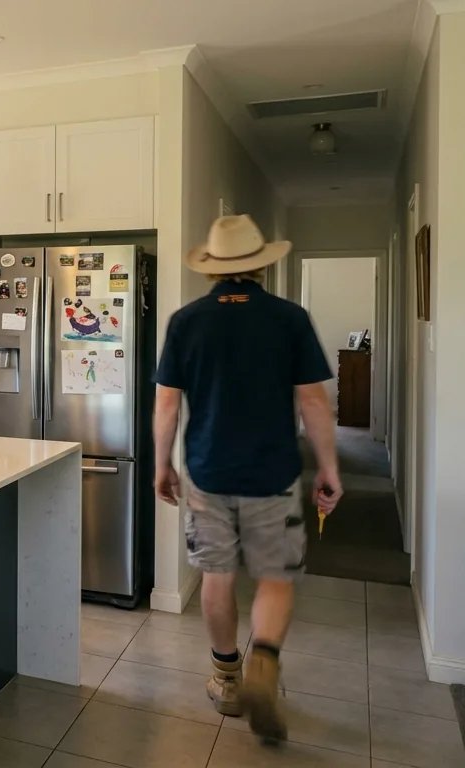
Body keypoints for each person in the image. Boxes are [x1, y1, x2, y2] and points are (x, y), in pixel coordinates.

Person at [153, 214, 342, 743]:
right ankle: (265, 659)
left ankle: (227, 676)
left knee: (217, 576)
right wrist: (329, 467)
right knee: (274, 575)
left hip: (208, 472)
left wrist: (161, 464)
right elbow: (312, 401)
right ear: (262, 265)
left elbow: (167, 403)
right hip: (273, 471)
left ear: (212, 268)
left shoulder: (186, 322)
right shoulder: (288, 318)